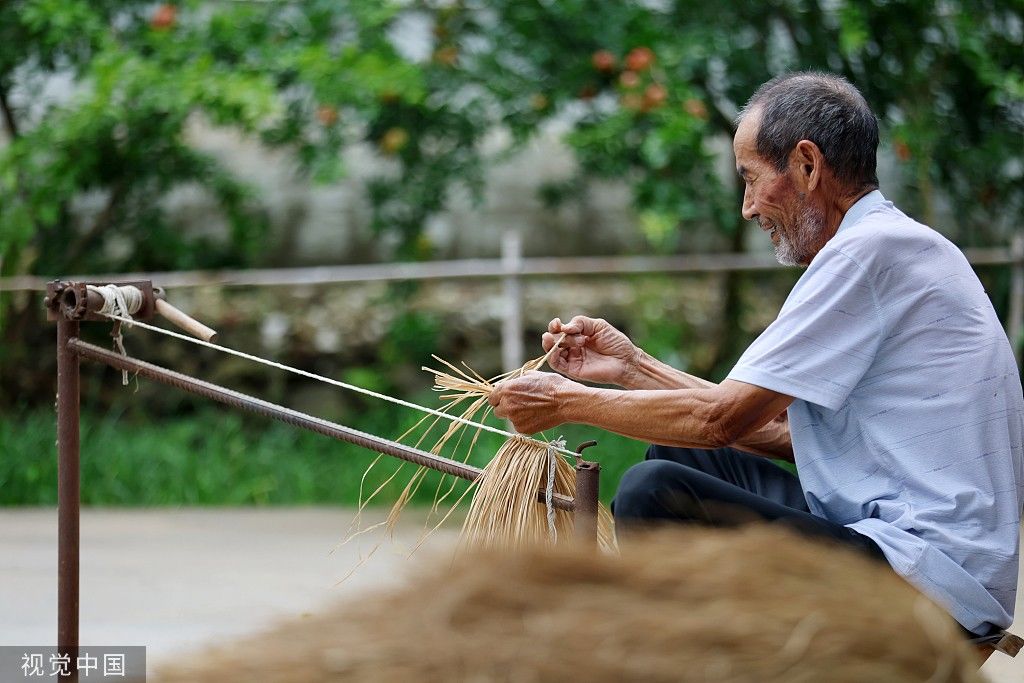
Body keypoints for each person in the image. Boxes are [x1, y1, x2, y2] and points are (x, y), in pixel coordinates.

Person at [487, 71, 1024, 637]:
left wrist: (567, 402)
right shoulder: (887, 247)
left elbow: (721, 418)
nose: (747, 207)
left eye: (751, 179)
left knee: (653, 491)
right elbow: (773, 430)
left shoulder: (866, 255)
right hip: (904, 545)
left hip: (929, 578)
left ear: (807, 166)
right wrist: (630, 368)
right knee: (687, 461)